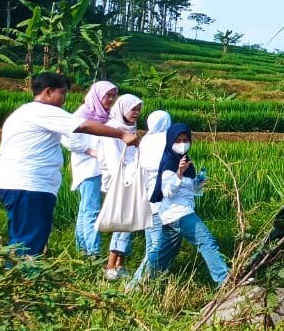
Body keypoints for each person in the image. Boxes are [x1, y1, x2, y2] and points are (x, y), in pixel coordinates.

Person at [0, 72, 138, 257]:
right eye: (62, 93)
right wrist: (122, 134)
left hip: (17, 182)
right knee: (29, 242)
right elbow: (83, 126)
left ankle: (14, 271)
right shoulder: (44, 111)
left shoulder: (24, 112)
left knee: (23, 237)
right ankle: (20, 272)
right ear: (48, 92)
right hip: (28, 184)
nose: (65, 98)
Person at [145, 122, 231, 284]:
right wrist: (179, 173)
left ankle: (144, 282)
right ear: (170, 141)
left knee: (163, 254)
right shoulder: (170, 163)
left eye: (185, 140)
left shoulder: (185, 162)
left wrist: (198, 183)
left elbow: (189, 190)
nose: (182, 144)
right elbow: (167, 192)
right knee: (207, 242)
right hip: (180, 214)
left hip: (171, 215)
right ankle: (224, 280)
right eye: (178, 141)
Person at [64, 80, 118, 258]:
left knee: (85, 209)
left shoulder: (105, 116)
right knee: (92, 210)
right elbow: (66, 137)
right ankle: (93, 253)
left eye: (113, 96)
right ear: (97, 95)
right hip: (88, 168)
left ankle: (82, 249)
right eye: (107, 95)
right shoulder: (82, 114)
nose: (110, 99)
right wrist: (88, 150)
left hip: (97, 168)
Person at [98, 93, 144, 279]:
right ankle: (111, 265)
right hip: (118, 180)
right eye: (133, 109)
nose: (137, 113)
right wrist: (127, 177)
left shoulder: (130, 128)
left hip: (130, 178)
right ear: (123, 108)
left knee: (128, 222)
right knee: (123, 222)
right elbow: (112, 160)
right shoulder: (112, 129)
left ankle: (119, 264)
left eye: (139, 109)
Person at [129, 110, 172, 284]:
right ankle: (136, 283)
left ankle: (152, 281)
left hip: (147, 199)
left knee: (151, 244)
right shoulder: (169, 141)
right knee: (157, 246)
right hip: (164, 200)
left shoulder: (145, 141)